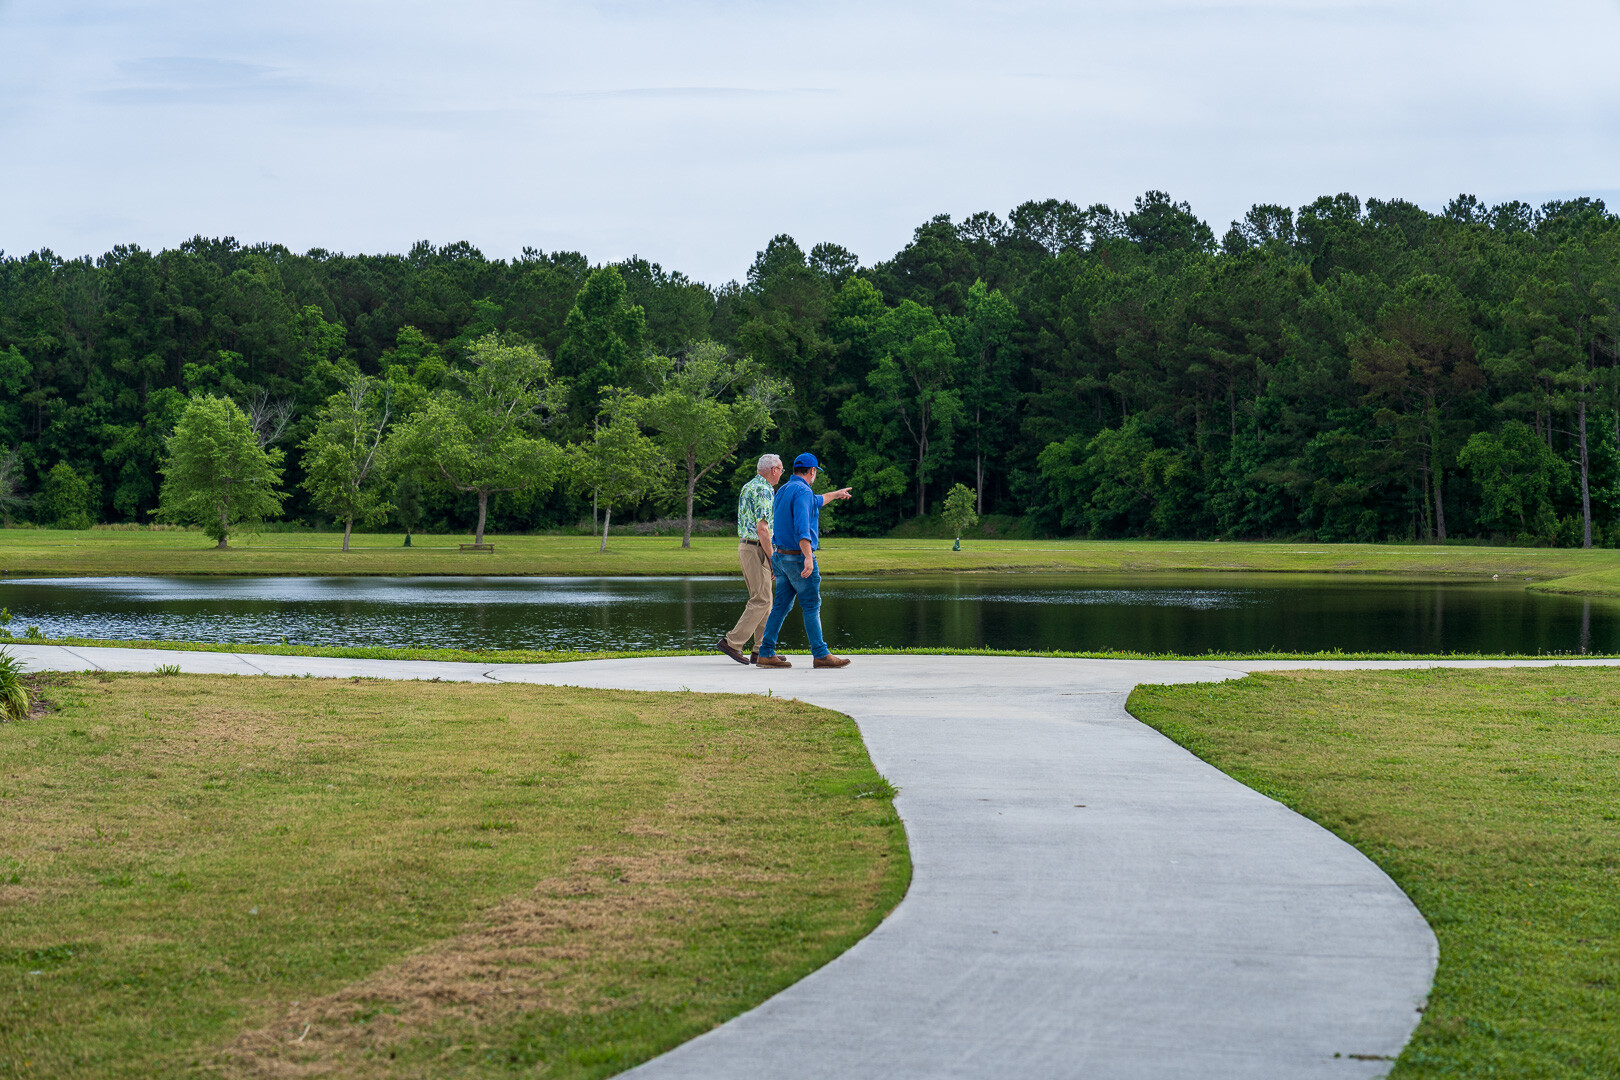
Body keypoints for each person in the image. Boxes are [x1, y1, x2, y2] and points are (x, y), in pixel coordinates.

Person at [756, 453, 853, 669]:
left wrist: (836, 495)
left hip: (780, 557)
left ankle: (765, 653)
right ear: (812, 471)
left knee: (780, 605)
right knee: (811, 605)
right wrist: (808, 557)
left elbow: (818, 500)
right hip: (797, 558)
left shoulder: (784, 490)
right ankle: (820, 654)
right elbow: (802, 529)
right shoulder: (803, 492)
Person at [717, 453, 783, 664]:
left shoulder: (748, 486)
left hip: (747, 547)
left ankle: (762, 649)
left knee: (766, 600)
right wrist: (773, 559)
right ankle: (732, 642)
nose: (781, 474)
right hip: (757, 548)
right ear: (773, 470)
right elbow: (763, 528)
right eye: (781, 469)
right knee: (761, 600)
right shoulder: (764, 490)